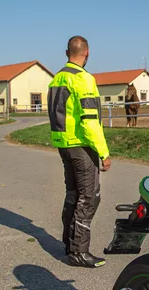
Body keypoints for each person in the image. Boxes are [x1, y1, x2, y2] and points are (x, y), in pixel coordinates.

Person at [47, 36, 111, 268]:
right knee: (89, 197)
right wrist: (103, 151)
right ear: (87, 53)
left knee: (73, 194)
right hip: (81, 145)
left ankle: (69, 243)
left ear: (67, 53)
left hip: (63, 144)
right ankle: (79, 251)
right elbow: (90, 121)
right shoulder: (83, 79)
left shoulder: (56, 78)